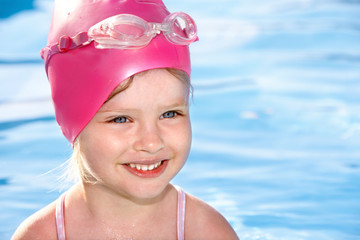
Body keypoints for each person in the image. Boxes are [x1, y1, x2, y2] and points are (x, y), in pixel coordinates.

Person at [12, 0, 239, 239]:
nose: (152, 143)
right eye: (121, 119)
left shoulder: (204, 231)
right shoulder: (41, 235)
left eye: (169, 114)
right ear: (73, 124)